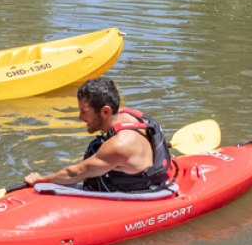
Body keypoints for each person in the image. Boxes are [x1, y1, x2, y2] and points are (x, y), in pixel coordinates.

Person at [23, 77, 173, 193]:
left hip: (140, 193)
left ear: (106, 111)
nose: (80, 117)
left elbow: (74, 173)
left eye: (84, 111)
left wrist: (40, 180)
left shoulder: (119, 145)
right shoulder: (130, 115)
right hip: (151, 175)